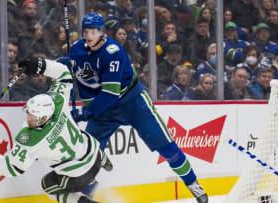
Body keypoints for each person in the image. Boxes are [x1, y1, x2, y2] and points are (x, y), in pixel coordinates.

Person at [60, 13, 208, 203]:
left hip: (131, 103)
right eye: (86, 31)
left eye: (94, 31)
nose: (89, 35)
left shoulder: (113, 51)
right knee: (88, 155)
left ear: (102, 32)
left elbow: (110, 93)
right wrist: (48, 66)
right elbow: (70, 66)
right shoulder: (77, 49)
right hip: (103, 111)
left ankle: (193, 184)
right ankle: (88, 189)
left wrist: (84, 112)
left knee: (168, 149)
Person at [0, 58, 112, 203]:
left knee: (47, 185)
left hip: (77, 174)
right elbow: (64, 74)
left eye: (33, 116)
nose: (28, 117)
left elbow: (12, 169)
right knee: (85, 143)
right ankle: (106, 164)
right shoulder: (58, 102)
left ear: (43, 119)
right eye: (29, 113)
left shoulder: (30, 140)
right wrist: (40, 65)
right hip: (96, 156)